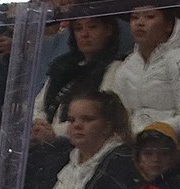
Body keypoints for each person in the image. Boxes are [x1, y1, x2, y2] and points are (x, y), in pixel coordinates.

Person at [101, 6, 180, 139]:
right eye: (135, 17)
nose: (140, 23)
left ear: (168, 25)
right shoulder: (127, 66)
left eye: (149, 17)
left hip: (171, 145)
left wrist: (147, 133)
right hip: (132, 145)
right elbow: (121, 115)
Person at [31, 16, 124, 147]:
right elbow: (38, 105)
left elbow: (98, 116)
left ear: (108, 30)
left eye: (92, 27)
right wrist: (39, 123)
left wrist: (54, 132)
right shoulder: (63, 66)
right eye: (78, 29)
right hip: (45, 140)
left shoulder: (116, 68)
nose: (85, 34)